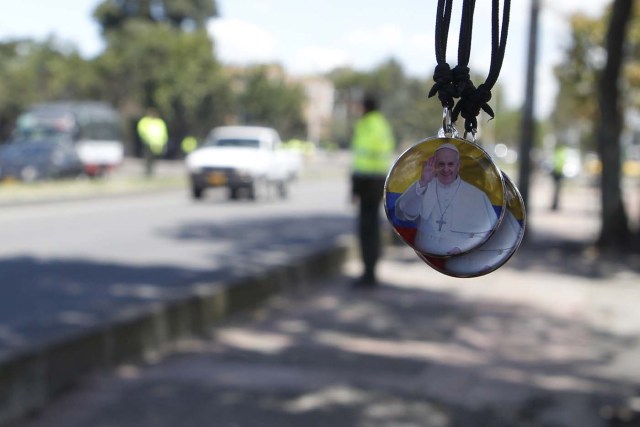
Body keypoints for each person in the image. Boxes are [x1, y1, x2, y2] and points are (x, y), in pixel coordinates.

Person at [394, 143, 498, 256]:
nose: (446, 169)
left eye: (450, 164)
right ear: (434, 164)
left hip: (459, 258)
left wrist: (463, 248)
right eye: (441, 164)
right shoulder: (423, 185)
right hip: (423, 257)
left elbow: (488, 230)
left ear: (458, 166)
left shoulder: (477, 195)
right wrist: (423, 182)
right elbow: (403, 213)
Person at [350, 94, 396, 287]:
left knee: (365, 227)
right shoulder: (383, 125)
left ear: (365, 107)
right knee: (374, 226)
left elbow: (359, 157)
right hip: (379, 180)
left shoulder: (364, 125)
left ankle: (368, 272)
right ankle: (371, 270)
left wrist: (353, 187)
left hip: (364, 179)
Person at [137, 109, 168, 177]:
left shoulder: (159, 122)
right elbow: (142, 131)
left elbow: (163, 132)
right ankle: (149, 172)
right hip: (148, 143)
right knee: (148, 158)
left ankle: (151, 171)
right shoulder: (145, 121)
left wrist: (163, 141)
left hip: (158, 144)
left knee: (154, 159)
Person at [550, 143, 567, 211]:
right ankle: (555, 205)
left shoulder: (557, 153)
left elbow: (553, 162)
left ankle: (555, 205)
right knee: (557, 190)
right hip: (559, 173)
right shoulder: (562, 153)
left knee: (555, 190)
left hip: (556, 173)